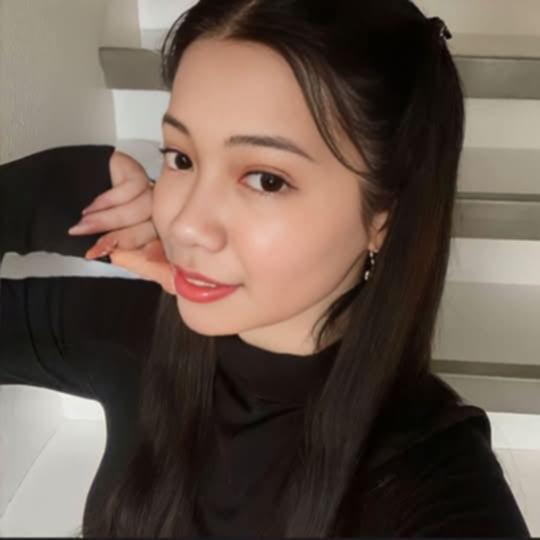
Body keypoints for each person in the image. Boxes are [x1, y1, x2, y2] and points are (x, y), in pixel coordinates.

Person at [0, 0, 532, 537]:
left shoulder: (433, 481)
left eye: (266, 180)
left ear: (383, 220)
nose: (185, 225)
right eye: (181, 157)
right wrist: (59, 194)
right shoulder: (138, 333)